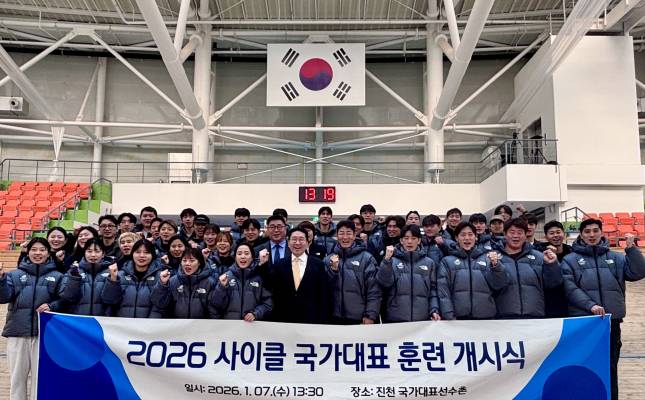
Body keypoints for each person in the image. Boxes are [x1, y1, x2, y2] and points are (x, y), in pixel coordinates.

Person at [561, 219, 645, 400]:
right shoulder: (570, 260)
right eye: (587, 231)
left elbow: (638, 272)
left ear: (601, 232)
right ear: (581, 234)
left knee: (610, 367)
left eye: (595, 231)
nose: (591, 235)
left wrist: (631, 249)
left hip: (610, 323)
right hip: (584, 324)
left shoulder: (617, 258)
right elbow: (570, 288)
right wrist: (590, 305)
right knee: (583, 366)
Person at [0, 238, 65, 400]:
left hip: (44, 335)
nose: (38, 253)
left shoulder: (58, 276)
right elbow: (3, 297)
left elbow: (64, 300)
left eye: (42, 250)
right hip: (17, 333)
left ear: (48, 253)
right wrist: (1, 281)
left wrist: (52, 306)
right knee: (17, 379)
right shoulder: (14, 275)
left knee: (40, 379)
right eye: (34, 249)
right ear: (27, 252)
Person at [437, 222, 508, 320]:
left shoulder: (487, 259)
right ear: (456, 238)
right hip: (457, 319)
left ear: (476, 237)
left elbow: (499, 285)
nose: (467, 238)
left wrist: (496, 266)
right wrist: (448, 315)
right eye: (463, 235)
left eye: (470, 235)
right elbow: (443, 291)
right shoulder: (447, 261)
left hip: (485, 318)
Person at [493, 218, 562, 319]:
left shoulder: (539, 257)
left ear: (525, 235)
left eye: (520, 232)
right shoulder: (493, 257)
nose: (516, 236)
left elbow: (553, 283)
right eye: (512, 232)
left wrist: (552, 265)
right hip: (503, 318)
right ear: (505, 234)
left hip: (534, 316)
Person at [377, 224, 440, 323]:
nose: (409, 241)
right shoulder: (391, 261)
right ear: (401, 240)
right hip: (395, 317)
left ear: (419, 241)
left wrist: (434, 309)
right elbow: (384, 283)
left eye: (413, 238)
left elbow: (433, 290)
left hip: (422, 317)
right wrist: (386, 261)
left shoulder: (429, 263)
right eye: (406, 238)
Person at [267, 228, 331, 324]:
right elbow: (274, 292)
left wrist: (322, 319)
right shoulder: (279, 264)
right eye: (294, 239)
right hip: (284, 319)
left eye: (301, 239)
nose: (297, 243)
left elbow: (323, 294)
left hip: (311, 319)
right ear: (288, 243)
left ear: (307, 243)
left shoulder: (318, 264)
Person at [324, 220, 380, 325]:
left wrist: (370, 315)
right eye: (341, 233)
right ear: (337, 236)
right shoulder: (328, 259)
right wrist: (333, 271)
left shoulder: (367, 259)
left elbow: (374, 290)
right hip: (333, 317)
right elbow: (323, 288)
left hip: (359, 317)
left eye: (348, 233)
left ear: (354, 235)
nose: (345, 237)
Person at [101, 239, 163, 318]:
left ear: (152, 255)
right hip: (123, 323)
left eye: (146, 252)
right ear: (132, 254)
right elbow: (109, 300)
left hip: (150, 324)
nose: (142, 255)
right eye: (137, 252)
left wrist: (149, 323)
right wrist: (113, 280)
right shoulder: (119, 275)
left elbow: (161, 304)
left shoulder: (161, 277)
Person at [211, 243, 272, 321]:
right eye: (239, 254)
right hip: (230, 325)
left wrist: (255, 314)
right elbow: (216, 305)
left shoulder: (260, 276)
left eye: (246, 253)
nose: (243, 256)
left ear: (252, 257)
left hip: (253, 325)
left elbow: (268, 304)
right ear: (235, 257)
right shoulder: (226, 277)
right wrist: (221, 288)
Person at [151, 247, 218, 319]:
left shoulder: (210, 282)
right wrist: (162, 284)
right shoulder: (173, 281)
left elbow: (214, 310)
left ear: (199, 263)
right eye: (184, 260)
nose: (187, 264)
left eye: (192, 260)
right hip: (177, 324)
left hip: (201, 324)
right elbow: (159, 303)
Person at [60, 239, 115, 316]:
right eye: (89, 251)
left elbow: (113, 300)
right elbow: (67, 297)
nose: (93, 255)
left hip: (103, 321)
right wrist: (74, 278)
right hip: (79, 319)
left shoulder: (112, 271)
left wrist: (113, 279)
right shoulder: (73, 270)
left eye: (97, 251)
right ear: (84, 253)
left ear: (103, 254)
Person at [534, 220, 572, 318]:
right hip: (548, 301)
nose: (555, 235)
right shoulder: (539, 253)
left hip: (569, 299)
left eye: (558, 232)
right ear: (546, 237)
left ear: (564, 234)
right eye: (551, 233)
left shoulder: (572, 252)